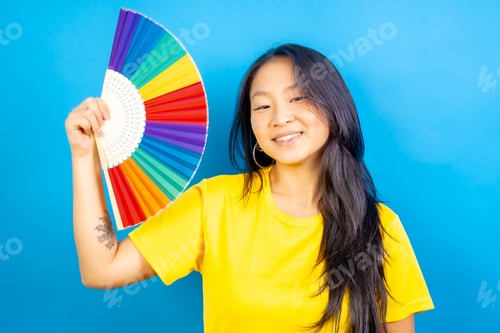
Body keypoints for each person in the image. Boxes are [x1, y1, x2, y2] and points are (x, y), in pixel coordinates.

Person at [65, 43, 434, 333]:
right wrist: (84, 158)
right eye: (262, 107)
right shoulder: (214, 204)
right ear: (252, 126)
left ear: (333, 107)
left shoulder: (379, 227)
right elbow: (101, 269)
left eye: (298, 98)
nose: (280, 117)